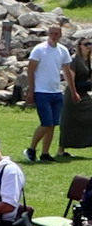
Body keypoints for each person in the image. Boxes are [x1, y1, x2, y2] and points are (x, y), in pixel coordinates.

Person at [28, 23, 75, 163]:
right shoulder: (39, 50)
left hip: (56, 91)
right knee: (46, 122)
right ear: (48, 34)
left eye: (56, 33)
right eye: (52, 33)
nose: (54, 36)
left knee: (53, 124)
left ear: (60, 35)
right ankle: (31, 148)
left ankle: (45, 153)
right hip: (42, 91)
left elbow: (67, 71)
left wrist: (73, 91)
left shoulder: (62, 51)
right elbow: (31, 70)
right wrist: (31, 90)